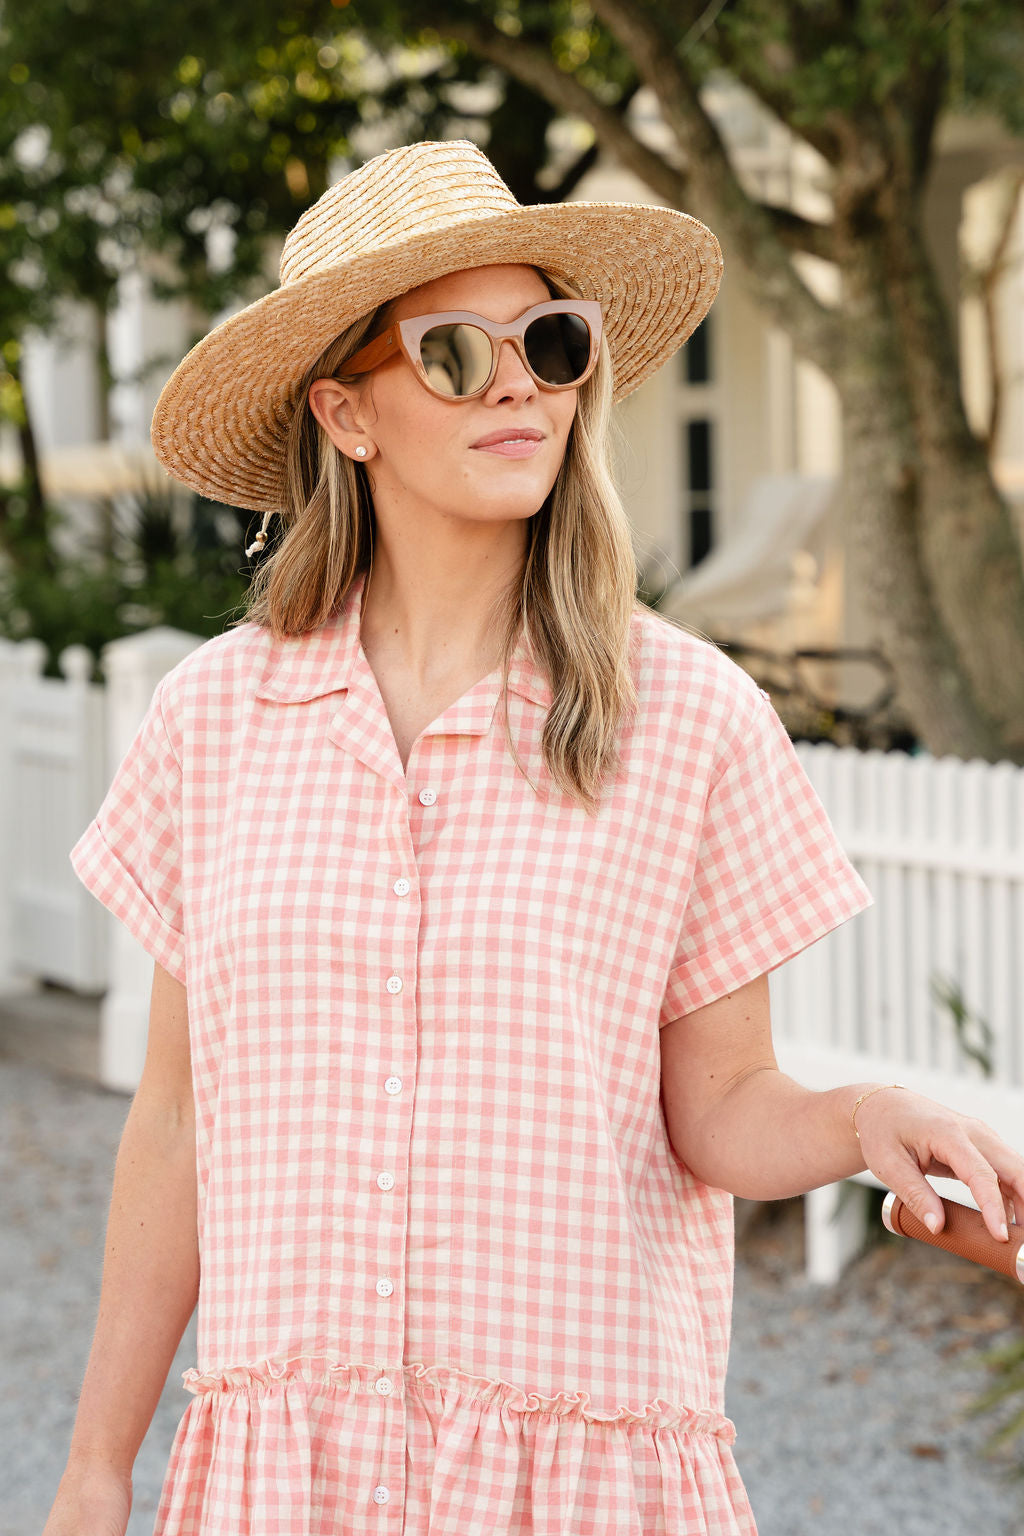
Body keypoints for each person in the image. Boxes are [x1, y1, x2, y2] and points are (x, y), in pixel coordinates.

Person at [46, 139, 1023, 1536]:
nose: (518, 383)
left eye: (551, 343)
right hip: (285, 1482)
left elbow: (719, 1107)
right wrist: (96, 1468)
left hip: (580, 1490)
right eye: (455, 354)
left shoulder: (689, 717)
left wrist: (867, 1122)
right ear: (348, 412)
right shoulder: (216, 718)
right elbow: (178, 1118)